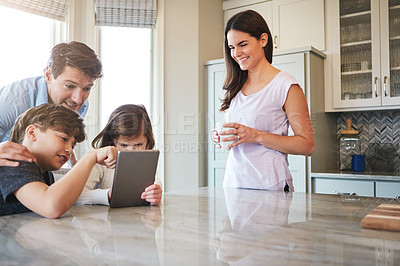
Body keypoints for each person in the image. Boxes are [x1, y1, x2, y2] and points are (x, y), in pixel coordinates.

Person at [214, 10, 315, 191]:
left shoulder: (286, 86)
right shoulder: (235, 86)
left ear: (263, 40)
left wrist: (257, 136)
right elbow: (239, 134)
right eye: (231, 47)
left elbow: (307, 145)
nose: (236, 53)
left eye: (242, 44)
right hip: (234, 186)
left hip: (270, 187)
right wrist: (220, 136)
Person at [0, 104, 118, 218]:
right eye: (64, 139)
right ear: (32, 133)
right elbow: (51, 207)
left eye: (73, 145)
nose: (69, 150)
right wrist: (90, 156)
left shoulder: (44, 172)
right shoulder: (15, 163)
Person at [0, 41, 103, 167]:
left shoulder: (79, 104)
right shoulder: (15, 100)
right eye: (69, 86)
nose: (78, 99)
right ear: (48, 75)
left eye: (86, 89)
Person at [76, 104, 162, 206]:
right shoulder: (100, 161)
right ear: (113, 140)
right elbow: (79, 196)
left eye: (139, 144)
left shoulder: (146, 160)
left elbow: (155, 184)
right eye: (124, 145)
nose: (131, 151)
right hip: (105, 220)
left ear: (148, 140)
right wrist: (108, 195)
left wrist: (155, 194)